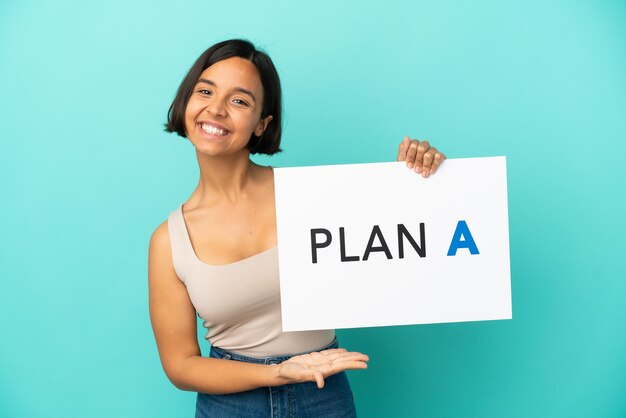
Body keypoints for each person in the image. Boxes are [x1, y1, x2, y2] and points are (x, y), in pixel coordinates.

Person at [148, 39, 446, 418]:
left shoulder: (314, 197)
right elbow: (181, 366)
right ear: (186, 102)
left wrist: (418, 176)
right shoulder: (168, 241)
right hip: (230, 404)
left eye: (239, 100)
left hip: (324, 395)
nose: (217, 109)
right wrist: (275, 373)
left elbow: (398, 236)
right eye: (205, 91)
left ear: (262, 124)